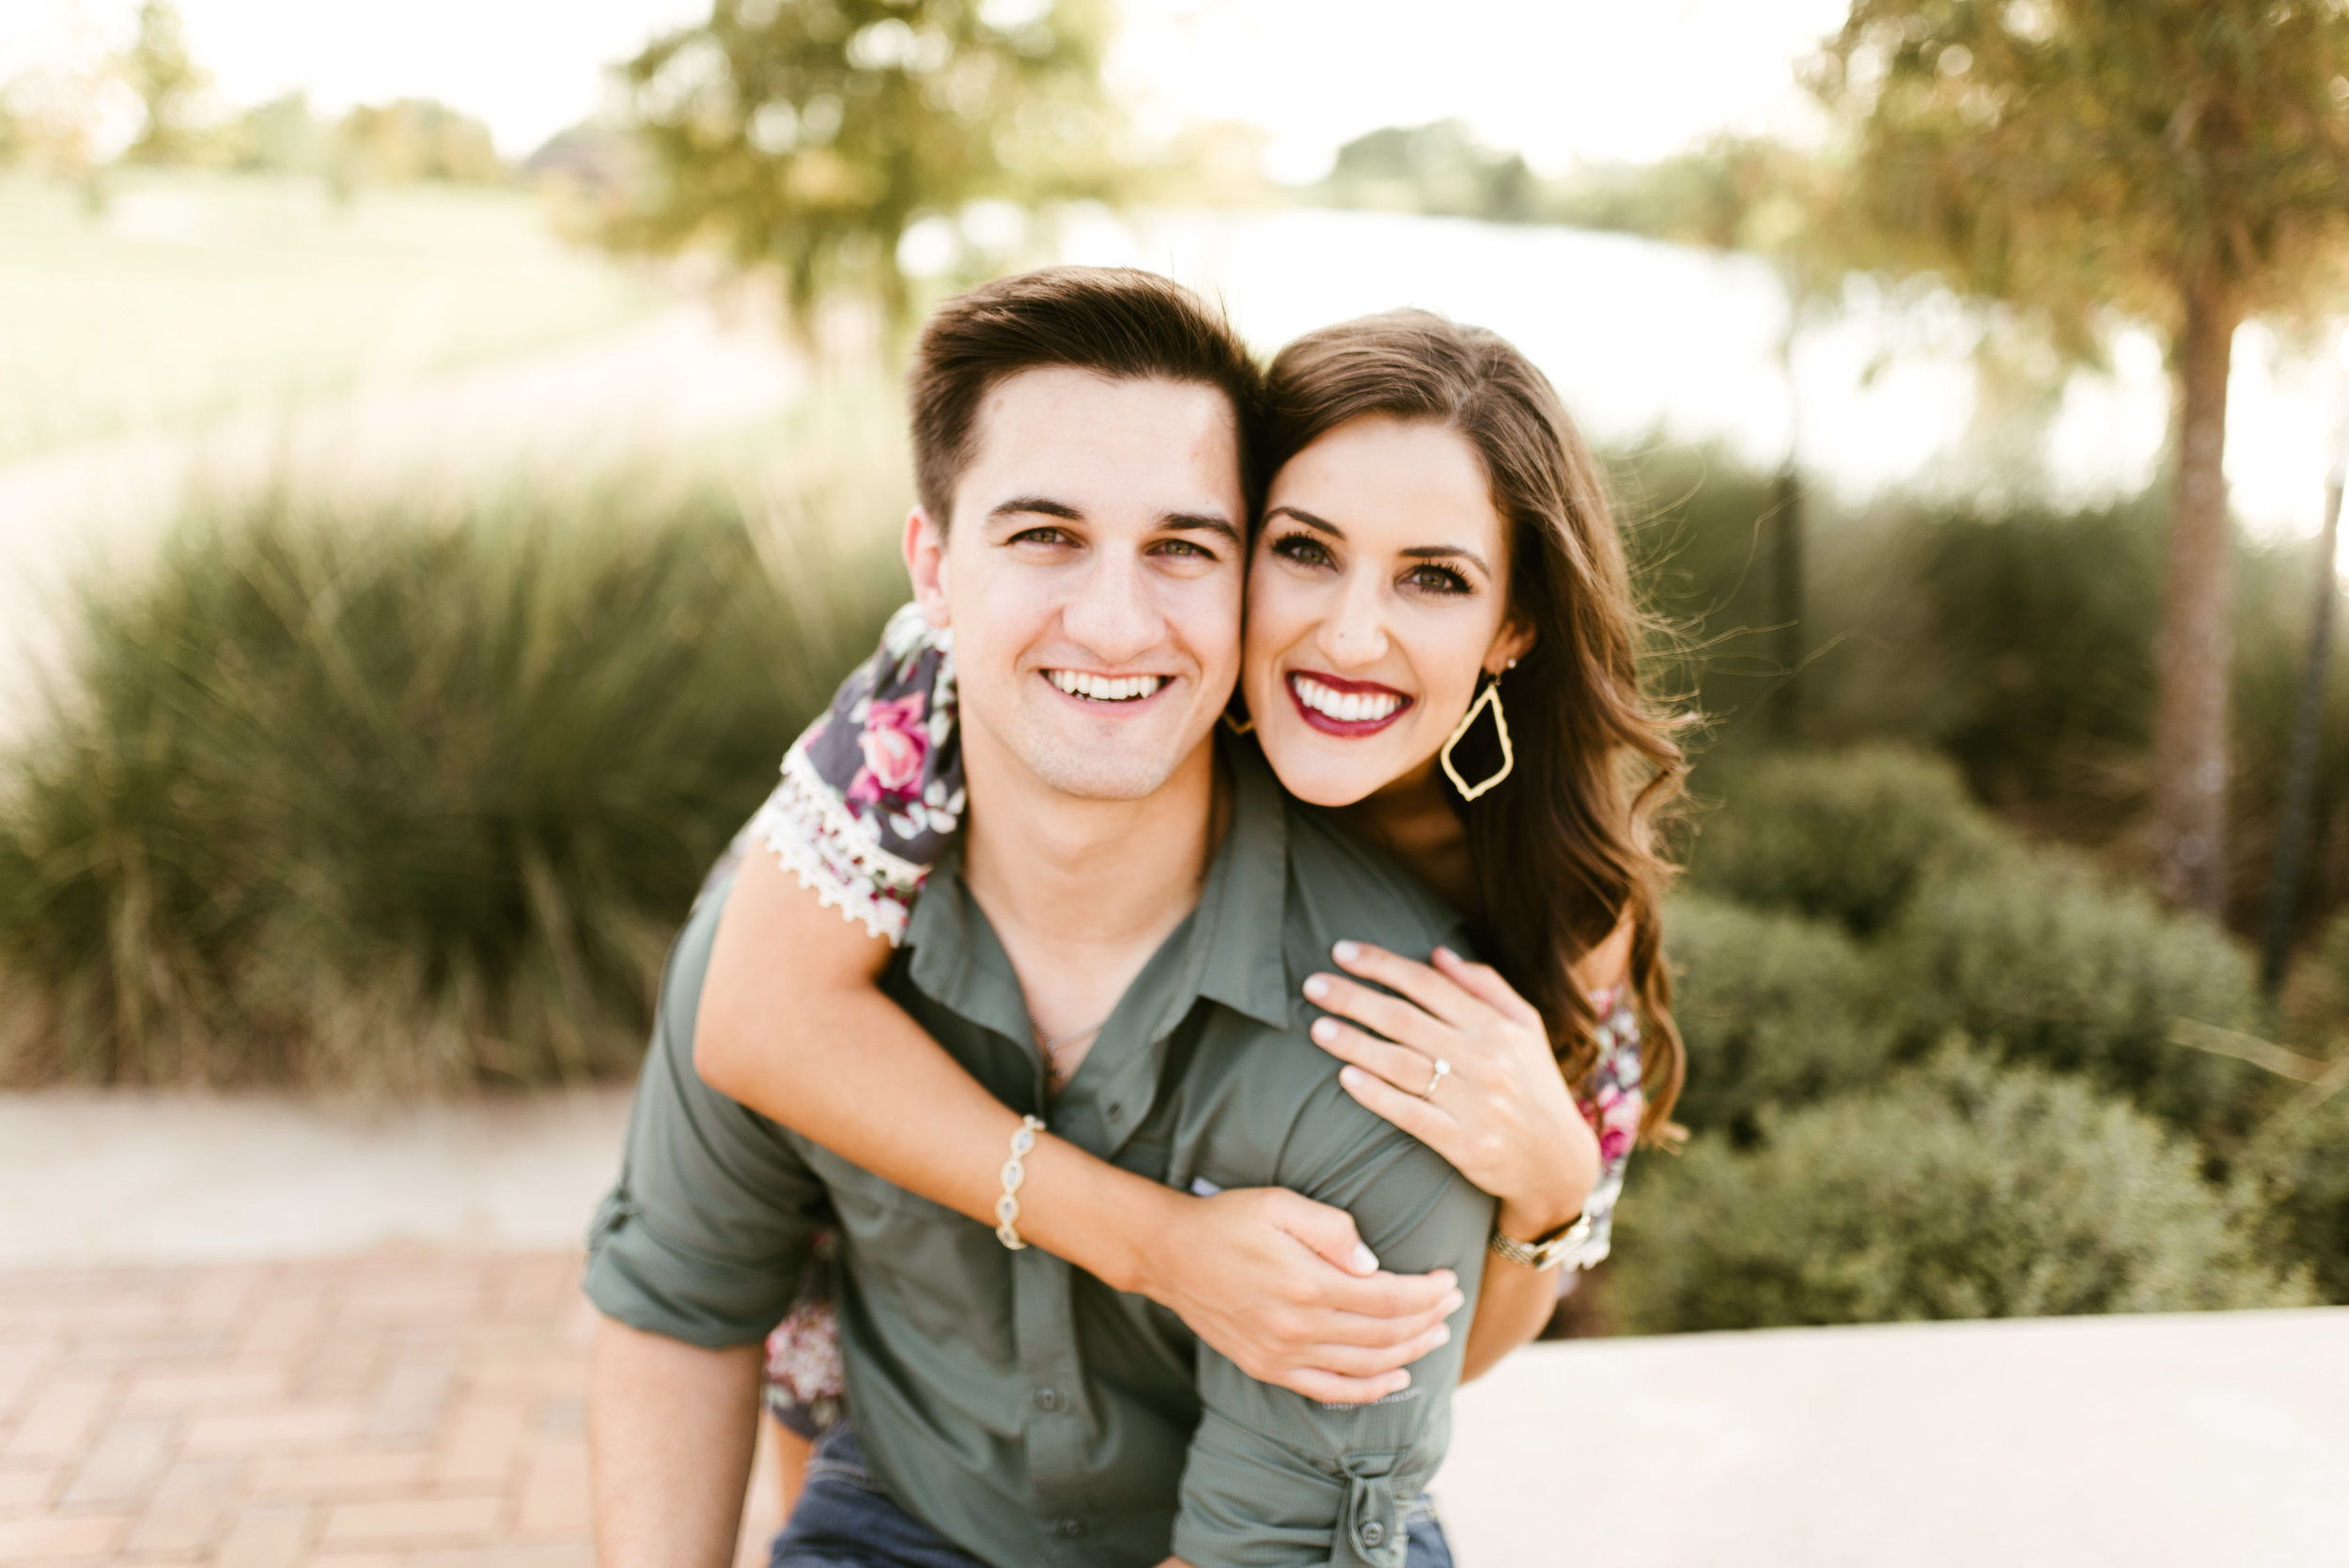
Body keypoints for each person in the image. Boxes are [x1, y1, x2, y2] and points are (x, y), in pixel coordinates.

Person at [589, 268, 1509, 1568]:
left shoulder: (1400, 1036)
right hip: (905, 1514)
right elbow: (679, 1304)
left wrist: (1557, 1194)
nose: (1118, 621)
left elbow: (1273, 1544)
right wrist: (1158, 1244)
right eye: (1044, 536)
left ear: (1249, 579)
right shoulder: (790, 916)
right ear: (934, 568)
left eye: (1183, 548)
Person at [696, 303, 1688, 1498]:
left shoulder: (1561, 896)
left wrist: (1551, 1184)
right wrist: (1158, 1244)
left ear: (1512, 625)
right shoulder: (1032, 686)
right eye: (1305, 550)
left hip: (1230, 1449)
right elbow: (754, 1015)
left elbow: (1431, 1360)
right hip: (900, 1378)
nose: (1351, 633)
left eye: (1433, 578)